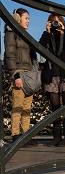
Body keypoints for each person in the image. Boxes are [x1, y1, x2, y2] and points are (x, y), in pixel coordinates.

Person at [39, 14, 65, 146]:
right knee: (54, 107)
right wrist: (47, 31)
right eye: (53, 22)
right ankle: (56, 136)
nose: (56, 24)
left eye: (58, 22)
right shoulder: (48, 37)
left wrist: (64, 31)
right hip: (51, 75)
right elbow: (40, 48)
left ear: (62, 23)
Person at [4, 8, 37, 142]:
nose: (28, 21)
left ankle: (26, 135)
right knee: (17, 106)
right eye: (26, 18)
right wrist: (15, 75)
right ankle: (16, 135)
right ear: (18, 18)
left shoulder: (26, 35)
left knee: (27, 108)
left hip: (29, 74)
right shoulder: (11, 34)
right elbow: (10, 55)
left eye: (29, 18)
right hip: (19, 73)